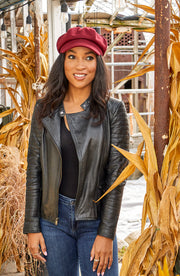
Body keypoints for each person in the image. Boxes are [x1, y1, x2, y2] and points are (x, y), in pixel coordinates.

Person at [23, 26, 129, 276]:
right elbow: (34, 169)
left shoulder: (113, 110)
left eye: (88, 57)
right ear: (62, 62)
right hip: (53, 222)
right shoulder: (44, 109)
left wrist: (106, 233)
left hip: (95, 219)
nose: (80, 65)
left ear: (98, 63)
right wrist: (32, 226)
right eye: (72, 56)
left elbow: (117, 178)